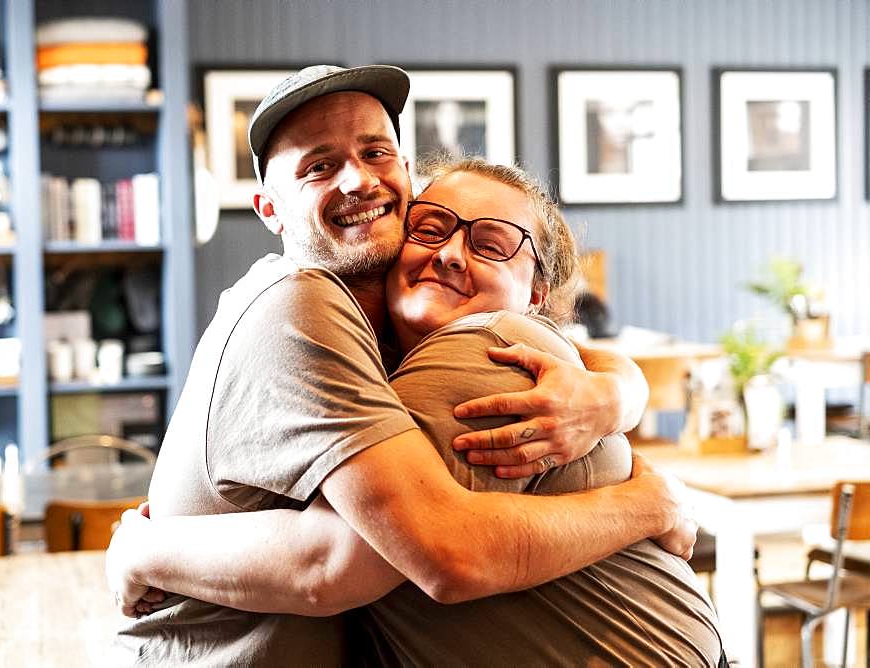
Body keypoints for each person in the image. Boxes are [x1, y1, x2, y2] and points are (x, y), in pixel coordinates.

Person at [109, 65, 697, 666]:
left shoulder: (441, 341)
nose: (357, 180)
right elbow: (393, 554)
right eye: (318, 166)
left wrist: (621, 389)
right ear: (269, 210)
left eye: (375, 151)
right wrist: (651, 506)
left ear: (406, 178)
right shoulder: (302, 305)